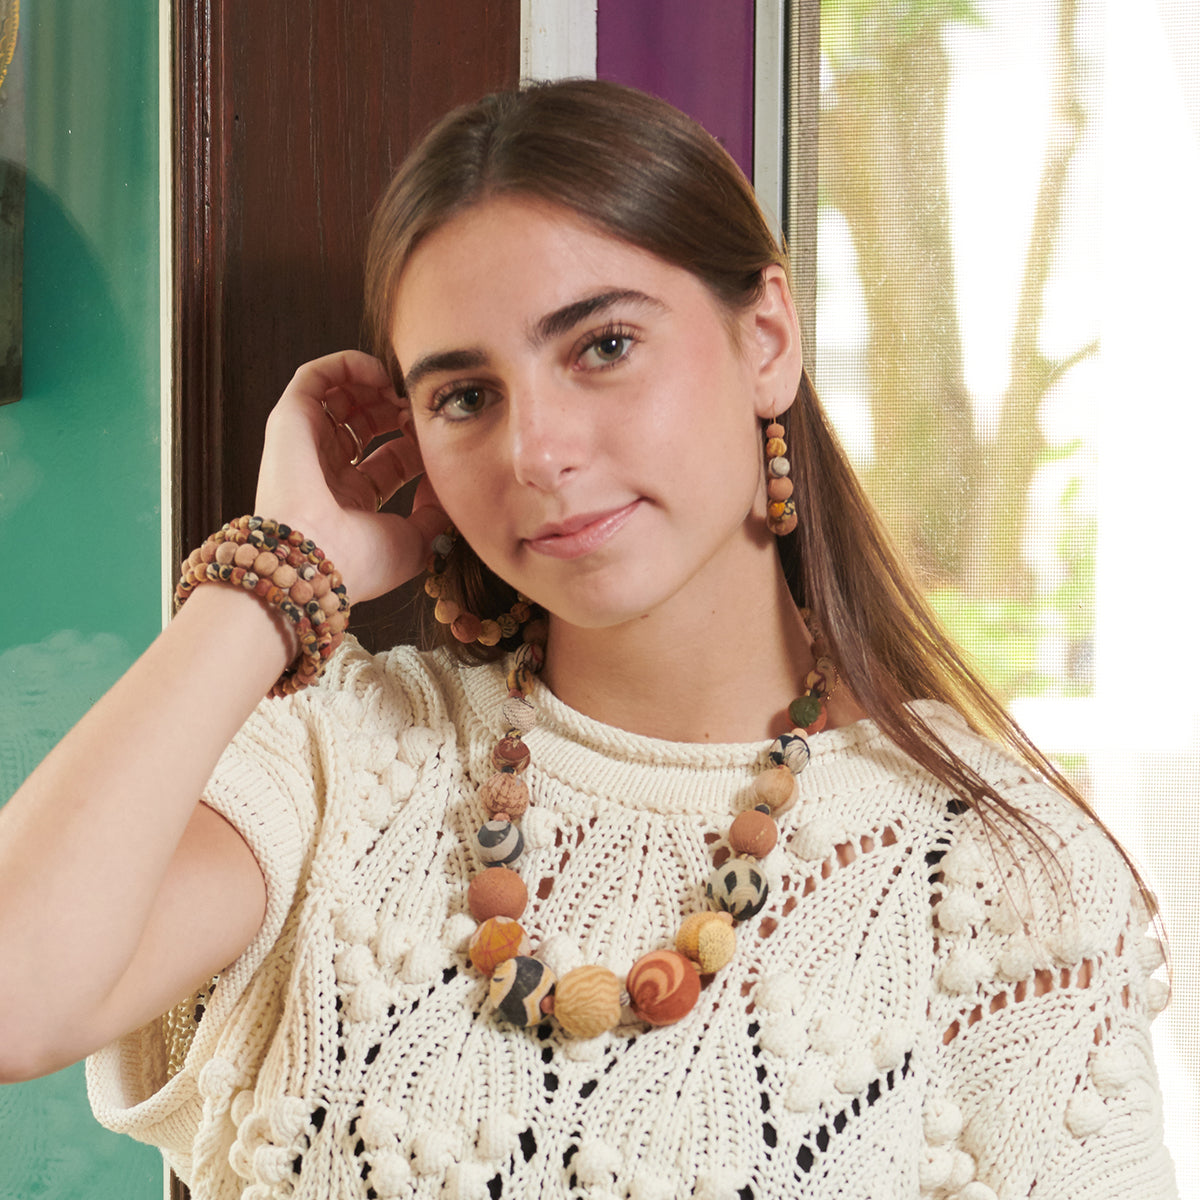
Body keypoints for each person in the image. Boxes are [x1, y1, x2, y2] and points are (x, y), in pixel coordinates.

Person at [0, 80, 1177, 1200]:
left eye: (602, 346)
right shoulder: (339, 761)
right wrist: (271, 580)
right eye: (465, 396)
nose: (536, 451)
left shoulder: (1000, 882)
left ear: (766, 336)